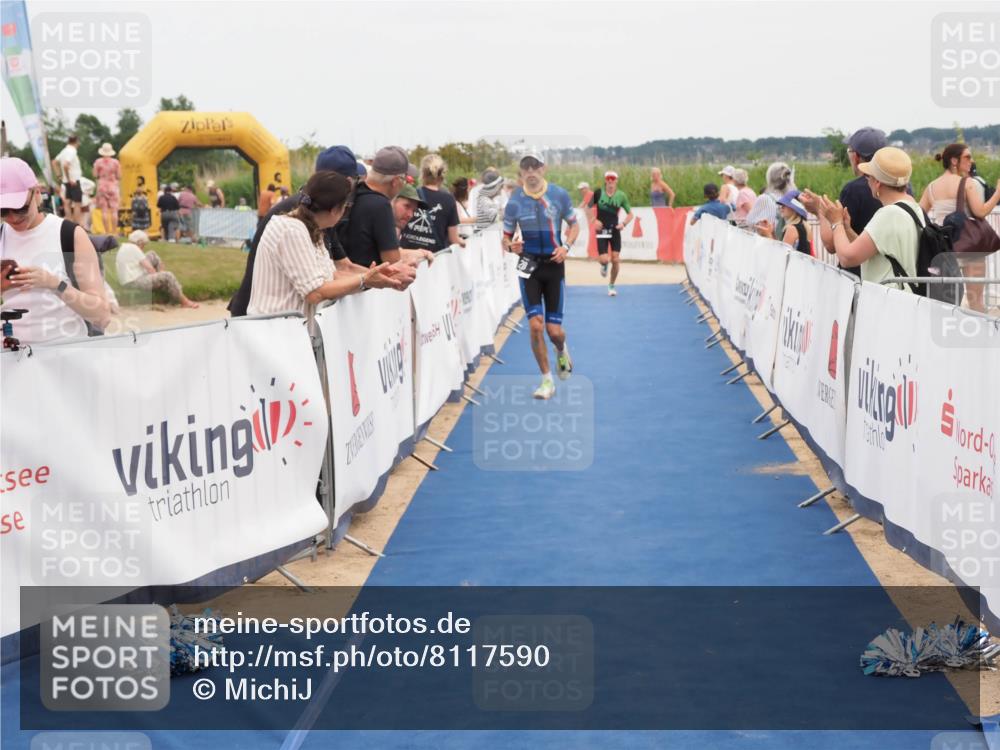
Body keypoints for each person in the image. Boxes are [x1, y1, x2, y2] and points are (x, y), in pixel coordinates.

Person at [247, 172, 401, 320]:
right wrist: (365, 279)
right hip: (276, 336)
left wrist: (379, 277)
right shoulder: (291, 230)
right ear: (335, 210)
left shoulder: (311, 229)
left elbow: (332, 275)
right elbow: (315, 293)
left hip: (287, 334)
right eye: (345, 207)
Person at [1, 157, 111, 343]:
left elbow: (102, 317)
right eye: (3, 211)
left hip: (63, 357)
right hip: (10, 361)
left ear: (37, 193)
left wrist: (54, 284)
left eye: (20, 208)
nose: (12, 218)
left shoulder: (70, 235)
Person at [502, 153, 580, 400]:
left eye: (535, 166)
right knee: (535, 326)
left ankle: (561, 349)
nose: (531, 171)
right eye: (526, 167)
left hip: (554, 267)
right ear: (521, 172)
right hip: (529, 266)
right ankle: (547, 380)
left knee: (554, 331)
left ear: (543, 169)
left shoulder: (558, 195)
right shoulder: (514, 201)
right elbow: (505, 238)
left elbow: (574, 225)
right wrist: (509, 245)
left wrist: (566, 247)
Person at [820, 147, 922, 288]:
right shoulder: (913, 207)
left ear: (877, 183)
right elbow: (872, 251)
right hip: (907, 298)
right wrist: (847, 229)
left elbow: (847, 258)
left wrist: (836, 223)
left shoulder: (888, 214)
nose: (867, 182)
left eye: (869, 177)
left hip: (887, 300)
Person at [918, 143, 1000, 312]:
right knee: (976, 302)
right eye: (967, 157)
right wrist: (998, 193)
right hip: (970, 248)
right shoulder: (967, 183)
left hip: (945, 250)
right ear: (954, 160)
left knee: (946, 303)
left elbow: (920, 214)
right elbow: (981, 212)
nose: (972, 161)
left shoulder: (931, 187)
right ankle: (981, 337)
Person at [800, 127, 889, 277]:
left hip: (857, 275)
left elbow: (831, 244)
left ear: (856, 157)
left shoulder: (853, 190)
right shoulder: (901, 188)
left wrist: (819, 212)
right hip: (887, 275)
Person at [116, 230, 200, 309]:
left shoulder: (125, 247)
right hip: (134, 281)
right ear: (139, 243)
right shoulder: (135, 249)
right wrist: (158, 276)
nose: (143, 247)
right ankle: (184, 301)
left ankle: (168, 287)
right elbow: (150, 268)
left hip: (130, 277)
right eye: (143, 245)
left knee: (152, 254)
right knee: (168, 276)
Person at [400, 154, 463, 251]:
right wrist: (465, 243)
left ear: (423, 174)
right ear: (442, 175)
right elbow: (453, 239)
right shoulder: (448, 199)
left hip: (408, 257)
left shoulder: (411, 193)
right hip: (434, 260)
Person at [588, 170, 633, 296]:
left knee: (615, 259)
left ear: (616, 181)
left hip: (615, 230)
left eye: (613, 179)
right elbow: (587, 208)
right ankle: (604, 265)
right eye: (608, 178)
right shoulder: (598, 193)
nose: (610, 181)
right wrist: (593, 220)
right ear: (605, 180)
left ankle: (612, 285)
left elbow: (630, 214)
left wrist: (623, 224)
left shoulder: (621, 196)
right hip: (602, 229)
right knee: (604, 259)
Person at [745, 161, 795, 235]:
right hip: (788, 242)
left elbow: (749, 221)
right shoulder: (793, 199)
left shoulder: (764, 198)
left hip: (768, 241)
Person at [757, 190, 812, 254]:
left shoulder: (791, 228)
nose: (781, 207)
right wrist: (771, 233)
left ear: (794, 208)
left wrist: (767, 235)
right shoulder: (804, 225)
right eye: (781, 205)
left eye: (785, 205)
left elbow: (781, 254)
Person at [93, 142, 122, 234]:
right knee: (114, 211)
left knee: (104, 211)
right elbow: (119, 176)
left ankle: (107, 231)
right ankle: (114, 231)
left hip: (102, 186)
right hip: (113, 186)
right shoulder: (116, 162)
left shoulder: (98, 162)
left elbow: (95, 174)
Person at [53, 135, 83, 223]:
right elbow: (66, 165)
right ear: (76, 141)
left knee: (67, 202)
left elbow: (54, 162)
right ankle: (77, 224)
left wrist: (59, 175)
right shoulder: (72, 150)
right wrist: (70, 178)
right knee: (77, 203)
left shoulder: (64, 150)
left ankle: (69, 222)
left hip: (67, 180)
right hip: (73, 180)